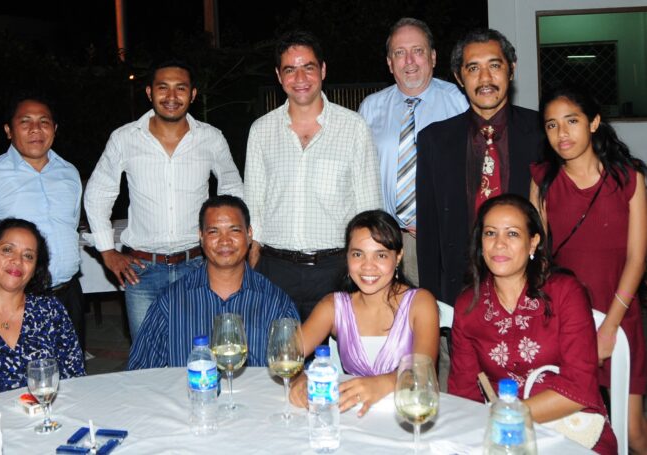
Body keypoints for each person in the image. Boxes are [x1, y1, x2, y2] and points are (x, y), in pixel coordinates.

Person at [84, 59, 244, 341]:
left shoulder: (211, 138)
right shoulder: (124, 138)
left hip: (198, 266)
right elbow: (98, 194)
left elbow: (233, 187)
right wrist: (107, 251)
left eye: (180, 88)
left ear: (192, 95)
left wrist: (227, 240)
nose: (171, 97)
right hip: (142, 272)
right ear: (149, 92)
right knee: (148, 362)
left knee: (199, 353)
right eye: (163, 88)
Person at [448, 194, 617, 455]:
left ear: (533, 242)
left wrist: (509, 416)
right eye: (490, 233)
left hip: (573, 428)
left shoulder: (565, 293)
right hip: (503, 437)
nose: (499, 244)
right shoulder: (469, 305)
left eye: (513, 234)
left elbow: (580, 388)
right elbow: (463, 392)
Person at [530, 85, 647, 453]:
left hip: (621, 315)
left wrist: (610, 327)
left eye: (571, 121)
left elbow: (638, 259)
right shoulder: (543, 181)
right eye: (551, 125)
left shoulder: (629, 179)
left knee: (632, 430)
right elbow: (539, 257)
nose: (561, 134)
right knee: (576, 428)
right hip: (565, 319)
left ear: (594, 122)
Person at [244, 30, 382, 322]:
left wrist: (367, 262)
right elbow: (254, 203)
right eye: (290, 70)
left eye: (308, 67)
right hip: (275, 269)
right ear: (279, 77)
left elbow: (369, 208)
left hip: (335, 269)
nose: (300, 77)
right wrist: (253, 260)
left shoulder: (353, 127)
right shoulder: (261, 130)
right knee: (277, 358)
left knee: (337, 362)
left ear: (322, 70)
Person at [416, 28, 543, 307]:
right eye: (473, 68)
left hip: (530, 286)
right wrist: (430, 301)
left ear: (511, 69)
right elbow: (429, 229)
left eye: (494, 66)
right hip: (460, 291)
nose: (485, 79)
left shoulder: (542, 132)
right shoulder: (434, 140)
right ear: (460, 77)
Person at [0, 91, 86, 350]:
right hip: (16, 300)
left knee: (72, 379)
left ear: (55, 129)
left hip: (68, 296)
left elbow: (70, 226)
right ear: (8, 130)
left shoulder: (69, 173)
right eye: (25, 122)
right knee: (20, 383)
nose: (36, 129)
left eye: (44, 121)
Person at [288, 210, 439, 416]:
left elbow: (423, 373)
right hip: (351, 415)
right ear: (347, 256)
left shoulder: (420, 303)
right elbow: (287, 353)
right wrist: (302, 378)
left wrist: (383, 383)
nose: (368, 266)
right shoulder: (333, 306)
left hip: (407, 414)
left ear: (398, 257)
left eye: (381, 255)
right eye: (358, 254)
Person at [127, 195, 299, 369]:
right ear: (201, 237)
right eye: (214, 232)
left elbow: (295, 375)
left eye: (234, 230)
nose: (225, 241)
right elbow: (139, 373)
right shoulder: (171, 302)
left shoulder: (276, 303)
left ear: (249, 234)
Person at [358, 17, 468, 285]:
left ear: (432, 57)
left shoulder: (459, 102)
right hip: (387, 242)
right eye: (399, 53)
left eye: (417, 51)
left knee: (443, 318)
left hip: (445, 239)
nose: (409, 61)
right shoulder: (370, 109)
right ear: (389, 63)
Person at [0, 218, 84, 395]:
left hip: (47, 418)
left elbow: (76, 380)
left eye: (28, 255)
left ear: (34, 269)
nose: (17, 260)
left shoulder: (50, 312)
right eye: (7, 250)